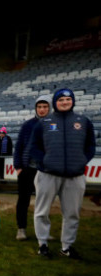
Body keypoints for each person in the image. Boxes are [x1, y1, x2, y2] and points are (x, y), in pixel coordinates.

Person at [29, 88, 96, 259]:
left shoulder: (84, 121)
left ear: (72, 101)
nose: (64, 102)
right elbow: (34, 147)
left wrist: (81, 161)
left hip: (75, 176)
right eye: (61, 100)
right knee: (42, 211)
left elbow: (90, 147)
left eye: (68, 99)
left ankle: (66, 246)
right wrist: (44, 162)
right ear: (55, 103)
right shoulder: (44, 122)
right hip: (47, 175)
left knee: (72, 213)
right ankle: (42, 244)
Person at [13, 95, 51, 241]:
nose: (42, 110)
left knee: (44, 201)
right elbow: (19, 147)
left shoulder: (54, 124)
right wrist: (18, 167)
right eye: (39, 107)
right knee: (23, 200)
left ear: (49, 108)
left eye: (45, 107)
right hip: (27, 168)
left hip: (46, 170)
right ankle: (21, 229)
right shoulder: (28, 125)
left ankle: (43, 232)